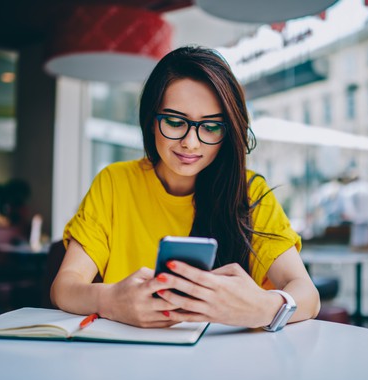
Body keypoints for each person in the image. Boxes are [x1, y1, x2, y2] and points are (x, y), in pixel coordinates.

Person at [51, 46, 320, 329]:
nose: (191, 142)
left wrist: (264, 307)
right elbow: (64, 287)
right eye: (175, 122)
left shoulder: (250, 193)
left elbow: (308, 295)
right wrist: (110, 300)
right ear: (151, 121)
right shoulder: (115, 183)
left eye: (210, 127)